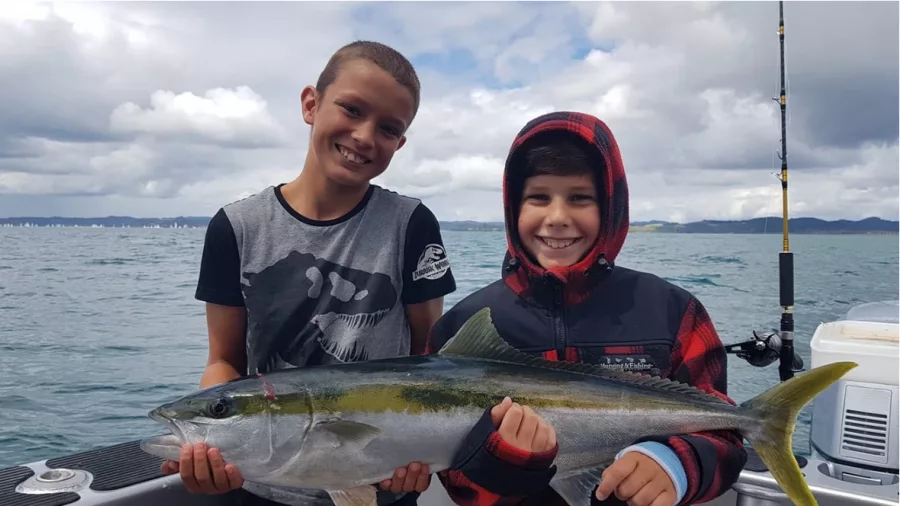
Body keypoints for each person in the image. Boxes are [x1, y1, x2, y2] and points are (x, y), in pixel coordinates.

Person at [160, 40, 457, 505]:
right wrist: (210, 443)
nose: (363, 136)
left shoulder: (410, 224)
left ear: (400, 143)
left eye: (387, 128)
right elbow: (224, 359)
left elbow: (429, 356)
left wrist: (414, 449)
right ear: (310, 104)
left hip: (381, 474)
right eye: (352, 109)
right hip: (262, 483)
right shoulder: (236, 228)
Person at [427, 111, 747, 506]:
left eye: (580, 198)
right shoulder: (461, 327)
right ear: (513, 207)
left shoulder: (673, 311)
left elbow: (727, 431)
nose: (558, 218)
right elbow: (455, 478)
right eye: (538, 197)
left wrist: (677, 463)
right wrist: (505, 463)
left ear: (610, 208)